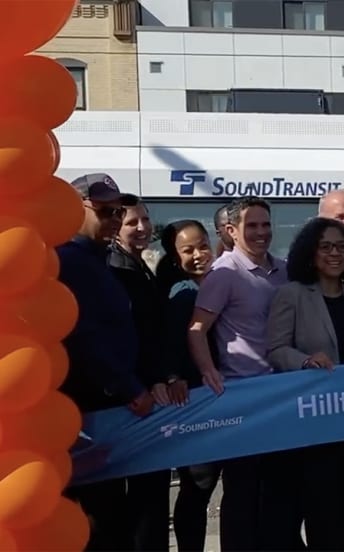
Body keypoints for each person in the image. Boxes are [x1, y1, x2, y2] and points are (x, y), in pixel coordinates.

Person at [267, 217, 344, 551]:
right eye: (326, 246)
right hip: (316, 421)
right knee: (325, 508)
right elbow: (276, 350)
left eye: (341, 247)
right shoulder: (291, 295)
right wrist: (305, 361)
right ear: (310, 253)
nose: (335, 253)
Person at [187, 196, 293, 551]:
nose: (261, 232)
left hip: (281, 396)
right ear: (231, 231)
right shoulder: (224, 273)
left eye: (266, 224)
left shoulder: (283, 270)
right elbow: (196, 330)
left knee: (277, 491)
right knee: (242, 493)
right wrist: (209, 371)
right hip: (242, 399)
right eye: (252, 225)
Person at [58, 173, 155, 551]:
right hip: (91, 409)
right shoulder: (71, 260)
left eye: (118, 211)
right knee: (100, 519)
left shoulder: (98, 259)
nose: (115, 218)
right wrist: (127, 387)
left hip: (107, 406)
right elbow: (84, 336)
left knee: (113, 517)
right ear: (77, 206)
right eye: (104, 210)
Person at [107, 199, 172, 552]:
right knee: (140, 500)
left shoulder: (140, 264)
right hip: (134, 398)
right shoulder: (116, 268)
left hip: (150, 392)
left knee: (152, 495)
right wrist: (140, 384)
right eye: (133, 222)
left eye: (146, 219)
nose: (143, 227)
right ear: (116, 226)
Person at [156, 220, 219, 552]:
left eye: (202, 246)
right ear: (174, 256)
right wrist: (173, 376)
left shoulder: (220, 282)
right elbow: (171, 342)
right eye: (188, 250)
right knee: (198, 485)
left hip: (224, 396)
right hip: (195, 401)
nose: (198, 255)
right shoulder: (183, 293)